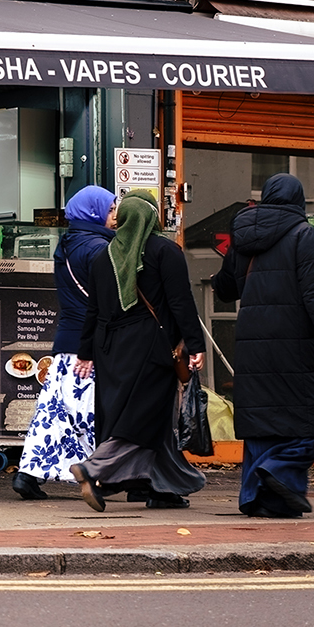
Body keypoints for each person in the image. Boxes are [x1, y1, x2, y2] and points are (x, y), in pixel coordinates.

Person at [212, 173, 314, 519]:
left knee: (262, 422)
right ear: (299, 201)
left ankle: (259, 499)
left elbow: (226, 289)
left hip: (252, 344)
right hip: (297, 344)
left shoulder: (242, 236)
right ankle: (277, 471)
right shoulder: (306, 237)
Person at [70, 189, 206, 511]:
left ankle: (160, 488)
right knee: (141, 418)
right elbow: (180, 302)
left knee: (149, 420)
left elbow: (93, 310)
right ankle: (94, 468)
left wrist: (86, 352)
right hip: (150, 347)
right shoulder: (164, 252)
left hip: (109, 350)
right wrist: (195, 344)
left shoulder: (104, 257)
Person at [11, 185, 115, 500]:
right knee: (87, 412)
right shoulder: (98, 249)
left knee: (54, 412)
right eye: (110, 210)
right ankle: (94, 474)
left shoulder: (67, 243)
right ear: (93, 212)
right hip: (90, 344)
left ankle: (28, 473)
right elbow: (107, 301)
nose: (114, 216)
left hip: (66, 340)